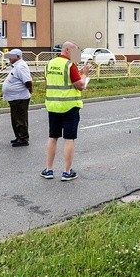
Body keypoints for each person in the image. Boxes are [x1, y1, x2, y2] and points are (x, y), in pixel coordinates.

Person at [41, 41, 91, 181]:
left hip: (53, 106)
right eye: (76, 51)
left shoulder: (49, 64)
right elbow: (80, 86)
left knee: (53, 137)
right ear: (68, 50)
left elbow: (47, 84)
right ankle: (67, 172)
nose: (77, 55)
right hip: (69, 107)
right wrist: (85, 74)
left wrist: (78, 74)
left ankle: (49, 170)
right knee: (69, 139)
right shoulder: (69, 65)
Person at [2, 49, 33, 147]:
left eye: (11, 56)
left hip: (20, 97)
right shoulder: (16, 66)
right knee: (15, 118)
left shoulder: (21, 66)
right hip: (14, 97)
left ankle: (23, 138)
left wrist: (29, 89)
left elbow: (27, 81)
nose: (9, 58)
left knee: (20, 118)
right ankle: (18, 136)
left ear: (18, 57)